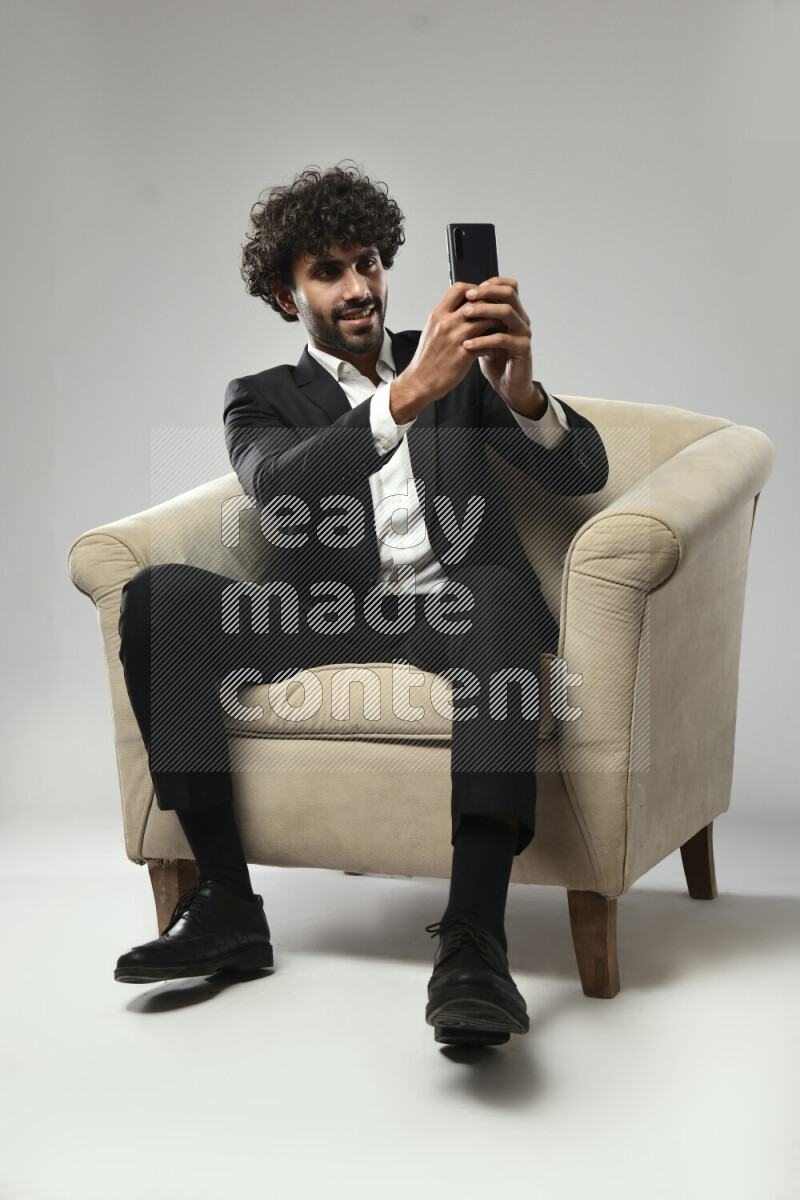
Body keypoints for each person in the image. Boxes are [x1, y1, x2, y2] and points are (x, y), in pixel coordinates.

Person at [115, 162, 608, 1046]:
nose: (359, 288)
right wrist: (403, 397)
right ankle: (226, 902)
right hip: (328, 618)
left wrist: (520, 391)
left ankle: (474, 941)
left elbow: (580, 473)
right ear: (284, 291)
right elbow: (279, 489)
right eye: (329, 271)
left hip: (459, 612)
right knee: (159, 599)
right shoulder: (264, 397)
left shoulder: (458, 366)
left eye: (371, 263)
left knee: (495, 591)